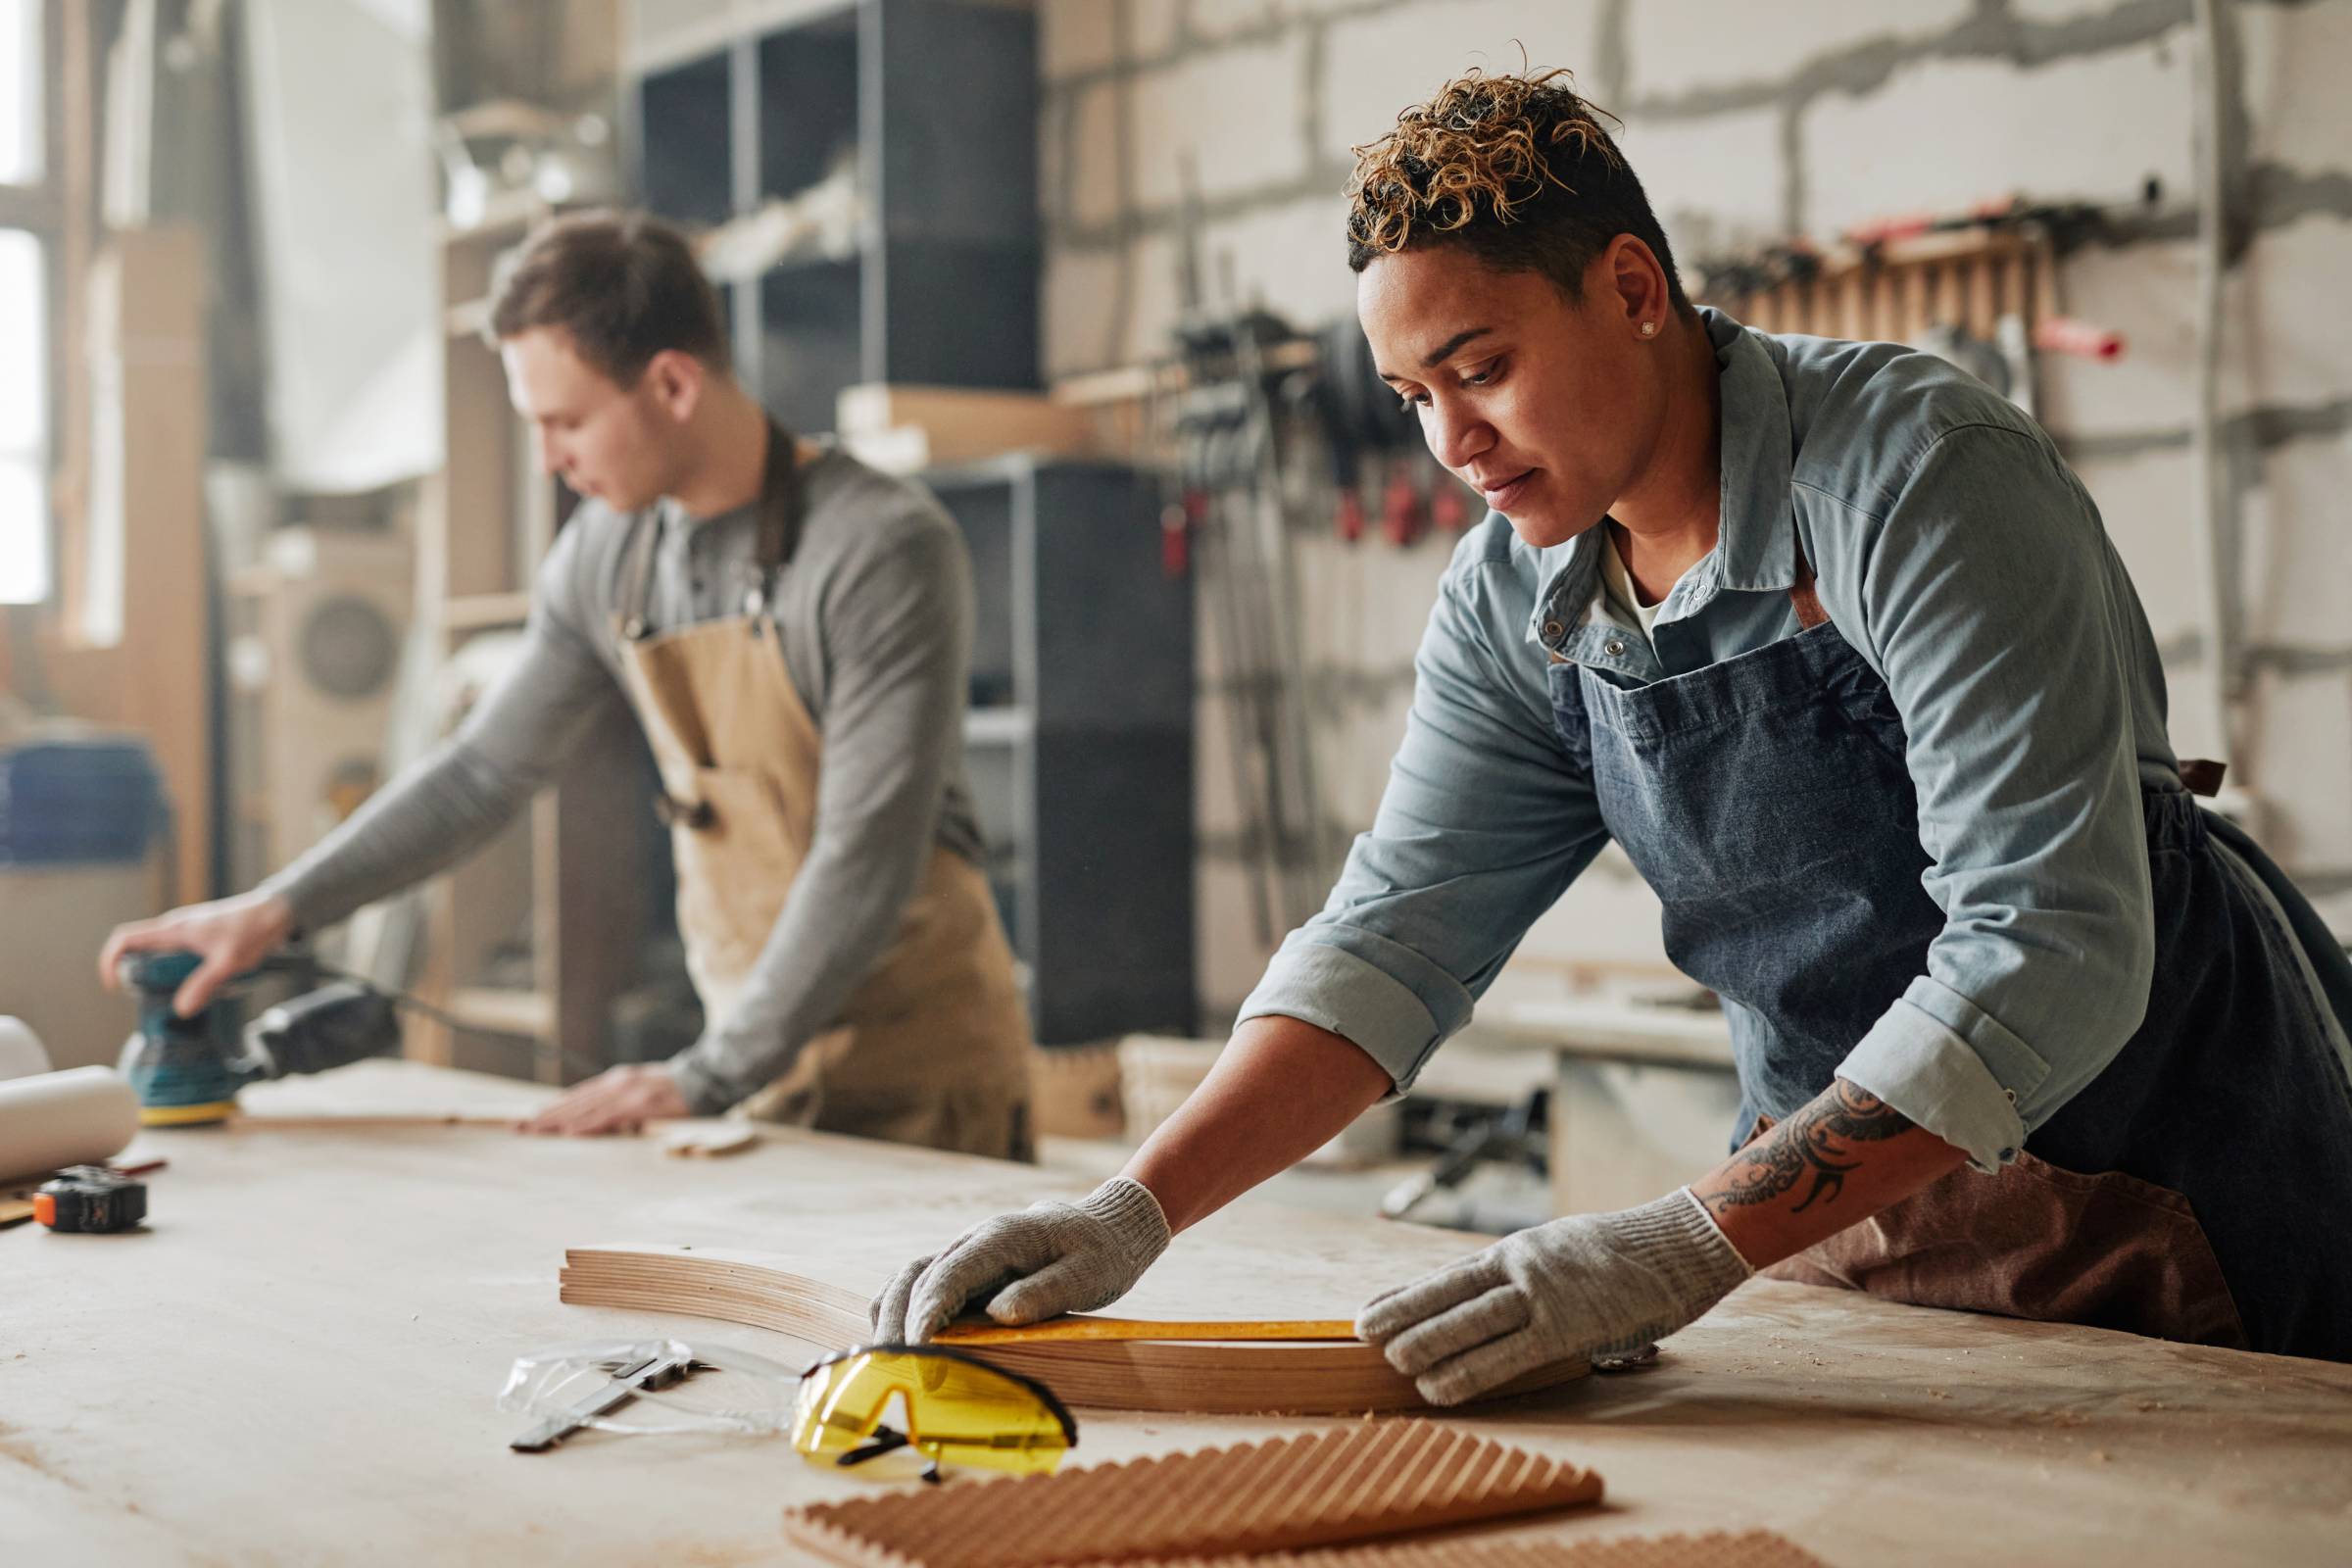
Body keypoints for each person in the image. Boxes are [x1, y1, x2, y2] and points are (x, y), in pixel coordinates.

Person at [870, 69, 2352, 1387]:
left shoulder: (1920, 482)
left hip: (2165, 1203)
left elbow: (2051, 950)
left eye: (1483, 369)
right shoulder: (1517, 595)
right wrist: (1137, 1207)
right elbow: (1396, 939)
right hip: (1835, 1229)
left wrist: (1679, 1244)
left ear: (1635, 288)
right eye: (1410, 396)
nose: (1452, 444)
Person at [101, 210, 1034, 1157]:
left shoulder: (878, 548)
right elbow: (479, 775)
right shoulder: (612, 550)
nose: (549, 458)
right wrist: (276, 911)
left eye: (567, 422)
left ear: (671, 383)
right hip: (748, 1081)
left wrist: (705, 1073)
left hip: (919, 1084)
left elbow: (863, 853)